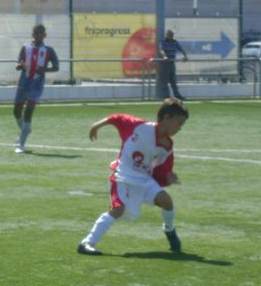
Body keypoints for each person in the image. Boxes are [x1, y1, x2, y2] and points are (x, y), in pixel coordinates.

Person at [77, 98, 189, 256]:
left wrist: (167, 177)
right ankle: (87, 242)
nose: (180, 128)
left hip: (144, 179)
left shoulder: (167, 146)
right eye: (179, 123)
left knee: (167, 202)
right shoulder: (140, 127)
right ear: (166, 117)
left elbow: (161, 172)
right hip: (123, 177)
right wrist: (97, 125)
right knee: (118, 210)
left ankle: (170, 231)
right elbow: (118, 118)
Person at [13, 24, 59, 154]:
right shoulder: (25, 48)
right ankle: (25, 130)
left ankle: (21, 145)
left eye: (41, 33)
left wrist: (44, 69)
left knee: (28, 111)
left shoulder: (49, 50)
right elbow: (19, 63)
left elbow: (56, 67)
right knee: (16, 111)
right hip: (23, 83)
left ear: (44, 35)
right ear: (32, 34)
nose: (38, 35)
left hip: (37, 84)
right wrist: (20, 66)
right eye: (36, 33)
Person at [159, 29, 189, 100]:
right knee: (165, 81)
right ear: (166, 35)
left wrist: (185, 56)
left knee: (173, 80)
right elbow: (161, 50)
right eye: (170, 34)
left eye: (172, 35)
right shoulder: (163, 42)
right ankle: (166, 96)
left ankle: (177, 95)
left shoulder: (175, 42)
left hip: (172, 63)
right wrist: (164, 56)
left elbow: (181, 49)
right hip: (165, 64)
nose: (171, 36)